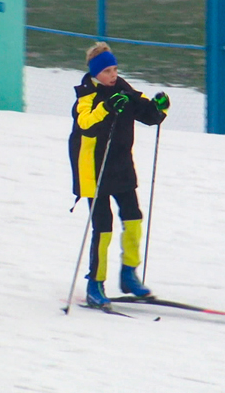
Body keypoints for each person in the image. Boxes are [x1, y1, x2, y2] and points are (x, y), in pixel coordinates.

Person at [68, 42, 170, 308]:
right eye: (108, 71)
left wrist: (160, 108)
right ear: (95, 73)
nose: (113, 75)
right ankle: (95, 284)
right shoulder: (87, 95)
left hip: (120, 165)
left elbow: (148, 115)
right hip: (94, 170)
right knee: (103, 227)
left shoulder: (123, 89)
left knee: (134, 217)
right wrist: (108, 107)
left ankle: (128, 274)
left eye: (115, 69)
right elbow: (85, 123)